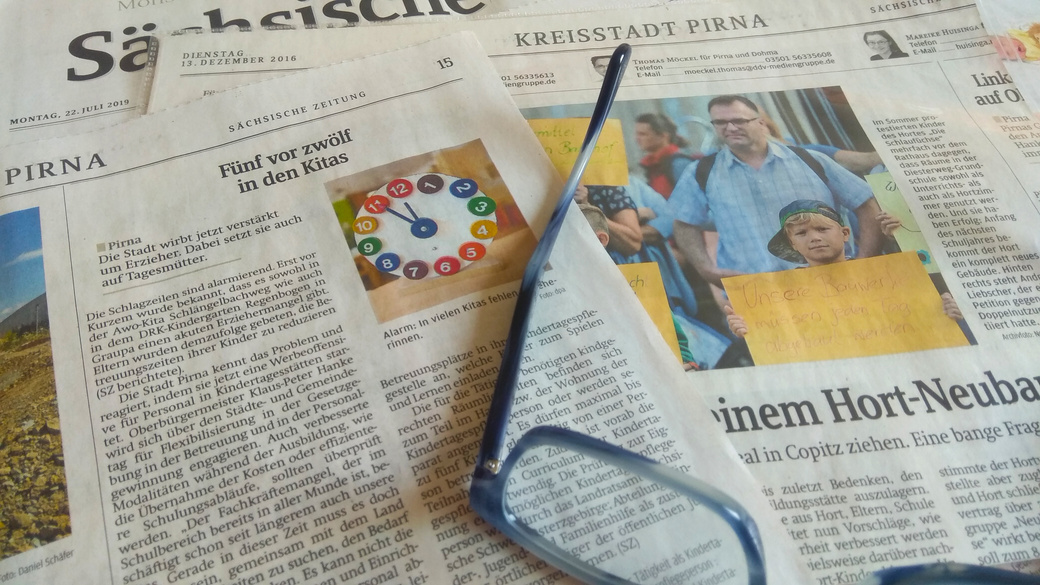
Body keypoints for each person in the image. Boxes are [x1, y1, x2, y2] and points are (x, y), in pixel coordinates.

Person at [670, 95, 886, 287]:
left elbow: (865, 203)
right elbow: (683, 224)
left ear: (761, 122)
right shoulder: (701, 172)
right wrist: (706, 270)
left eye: (739, 120)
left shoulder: (809, 160)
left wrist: (865, 259)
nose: (731, 128)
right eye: (720, 122)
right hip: (755, 290)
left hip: (832, 280)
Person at [724, 200, 962, 336]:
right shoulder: (781, 295)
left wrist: (948, 309)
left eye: (822, 229)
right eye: (802, 233)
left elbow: (921, 312)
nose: (814, 238)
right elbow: (779, 337)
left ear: (845, 233)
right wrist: (747, 329)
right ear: (792, 244)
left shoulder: (885, 275)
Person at [577, 203, 701, 370]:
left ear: (601, 240)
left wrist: (686, 364)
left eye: (570, 238)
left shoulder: (635, 284)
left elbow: (673, 337)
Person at [634, 113, 701, 199]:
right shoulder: (652, 166)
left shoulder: (679, 164)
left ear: (663, 136)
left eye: (643, 134)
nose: (637, 139)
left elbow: (694, 199)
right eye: (637, 134)